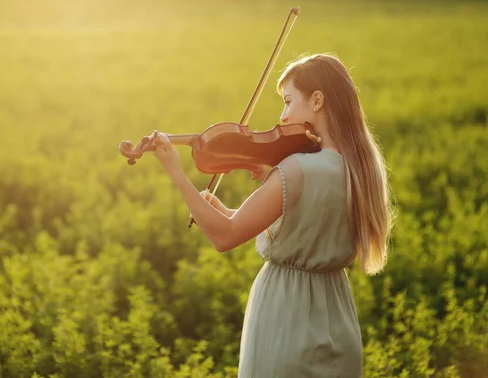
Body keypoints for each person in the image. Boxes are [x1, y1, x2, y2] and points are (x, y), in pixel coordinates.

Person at [150, 53, 394, 377]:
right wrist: (228, 211)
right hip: (337, 316)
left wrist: (176, 173)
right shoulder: (362, 169)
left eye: (289, 101)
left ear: (317, 100)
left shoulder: (296, 168)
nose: (282, 117)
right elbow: (302, 228)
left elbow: (225, 236)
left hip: (286, 315)